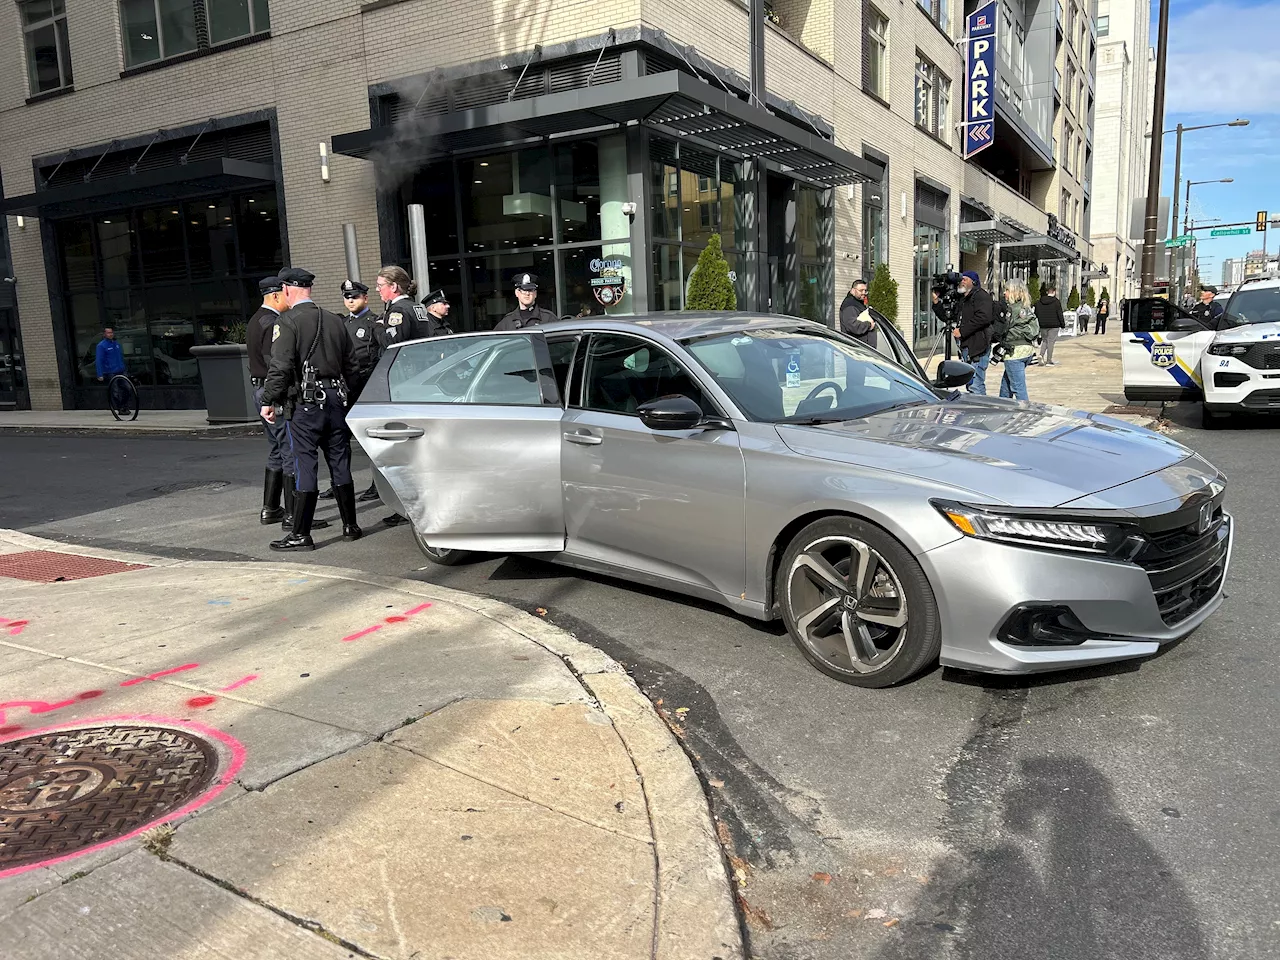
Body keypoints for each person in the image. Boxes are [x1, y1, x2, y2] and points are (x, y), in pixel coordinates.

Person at [260, 267, 362, 551]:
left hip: (304, 403)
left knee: (305, 464)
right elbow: (352, 366)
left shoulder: (287, 321)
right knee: (340, 461)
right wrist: (347, 399)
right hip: (336, 399)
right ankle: (350, 526)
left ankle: (301, 534)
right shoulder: (334, 320)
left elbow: (280, 366)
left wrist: (269, 400)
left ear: (288, 289)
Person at [247, 277, 326, 531]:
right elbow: (278, 364)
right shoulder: (272, 323)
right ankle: (293, 515)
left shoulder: (256, 319)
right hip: (274, 391)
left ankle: (271, 508)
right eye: (283, 293)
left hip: (260, 387)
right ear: (276, 296)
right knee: (290, 450)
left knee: (276, 449)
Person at [319, 279, 383, 504]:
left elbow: (377, 358)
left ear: (365, 298)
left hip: (364, 387)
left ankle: (378, 485)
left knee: (371, 439)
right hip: (344, 388)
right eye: (347, 297)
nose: (350, 301)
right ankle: (337, 482)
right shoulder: (341, 324)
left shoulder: (375, 323)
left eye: (354, 297)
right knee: (338, 439)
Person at [996, 279, 1041, 401]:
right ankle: (1003, 408)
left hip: (1014, 353)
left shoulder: (1012, 309)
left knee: (1018, 388)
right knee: (1006, 385)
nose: (1004, 293)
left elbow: (1004, 329)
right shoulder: (1026, 308)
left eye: (1006, 290)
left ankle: (1026, 412)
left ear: (1014, 292)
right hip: (1027, 350)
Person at [953, 271, 995, 395]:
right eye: (961, 279)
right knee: (970, 383)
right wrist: (936, 303)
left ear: (973, 282)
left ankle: (981, 411)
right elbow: (950, 317)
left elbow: (984, 317)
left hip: (978, 347)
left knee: (975, 385)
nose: (962, 281)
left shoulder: (981, 296)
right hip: (967, 346)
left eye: (965, 279)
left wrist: (962, 331)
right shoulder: (964, 299)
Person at [374, 265, 423, 349]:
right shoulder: (415, 306)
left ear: (393, 286)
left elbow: (390, 343)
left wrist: (378, 326)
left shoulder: (398, 310)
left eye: (380, 285)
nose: (377, 289)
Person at [838, 279, 880, 351]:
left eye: (865, 290)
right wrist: (869, 325)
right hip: (857, 351)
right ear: (853, 290)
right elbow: (852, 325)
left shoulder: (857, 303)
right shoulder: (850, 305)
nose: (864, 293)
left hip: (862, 350)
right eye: (861, 290)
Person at [95, 327, 128, 410]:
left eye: (111, 332)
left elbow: (120, 356)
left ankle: (124, 405)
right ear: (104, 334)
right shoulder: (101, 346)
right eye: (108, 333)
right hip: (110, 372)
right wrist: (100, 374)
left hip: (121, 370)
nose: (111, 334)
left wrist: (123, 367)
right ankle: (119, 408)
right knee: (115, 391)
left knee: (127, 388)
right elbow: (99, 360)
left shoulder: (116, 344)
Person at [1034, 283, 1066, 365]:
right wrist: (1062, 324)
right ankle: (1049, 360)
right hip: (1054, 325)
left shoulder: (1039, 302)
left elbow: (1036, 313)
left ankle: (1041, 355)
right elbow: (1059, 314)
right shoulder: (1056, 302)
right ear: (1054, 292)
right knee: (1051, 342)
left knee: (1045, 340)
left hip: (1043, 325)